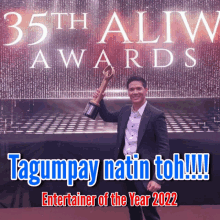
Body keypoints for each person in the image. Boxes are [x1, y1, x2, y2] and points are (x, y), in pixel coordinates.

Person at [93, 75, 169, 220]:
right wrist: (100, 100)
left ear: (146, 90)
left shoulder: (156, 115)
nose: (135, 92)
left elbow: (163, 148)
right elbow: (107, 117)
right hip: (125, 168)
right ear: (128, 92)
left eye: (139, 88)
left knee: (149, 212)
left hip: (145, 169)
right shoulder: (125, 111)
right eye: (131, 89)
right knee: (133, 210)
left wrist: (157, 178)